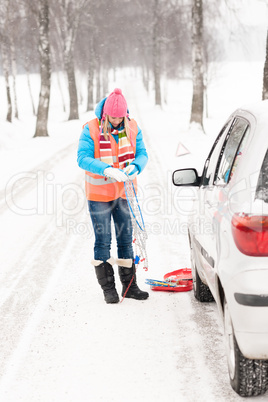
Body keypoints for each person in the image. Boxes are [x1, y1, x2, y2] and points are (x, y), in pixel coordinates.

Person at [77, 88, 149, 304]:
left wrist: (137, 166)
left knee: (126, 239)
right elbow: (82, 158)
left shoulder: (133, 126)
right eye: (113, 117)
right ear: (105, 114)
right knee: (103, 240)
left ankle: (129, 287)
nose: (117, 120)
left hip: (124, 193)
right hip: (99, 195)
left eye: (121, 116)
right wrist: (106, 169)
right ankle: (108, 289)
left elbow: (142, 154)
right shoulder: (91, 128)